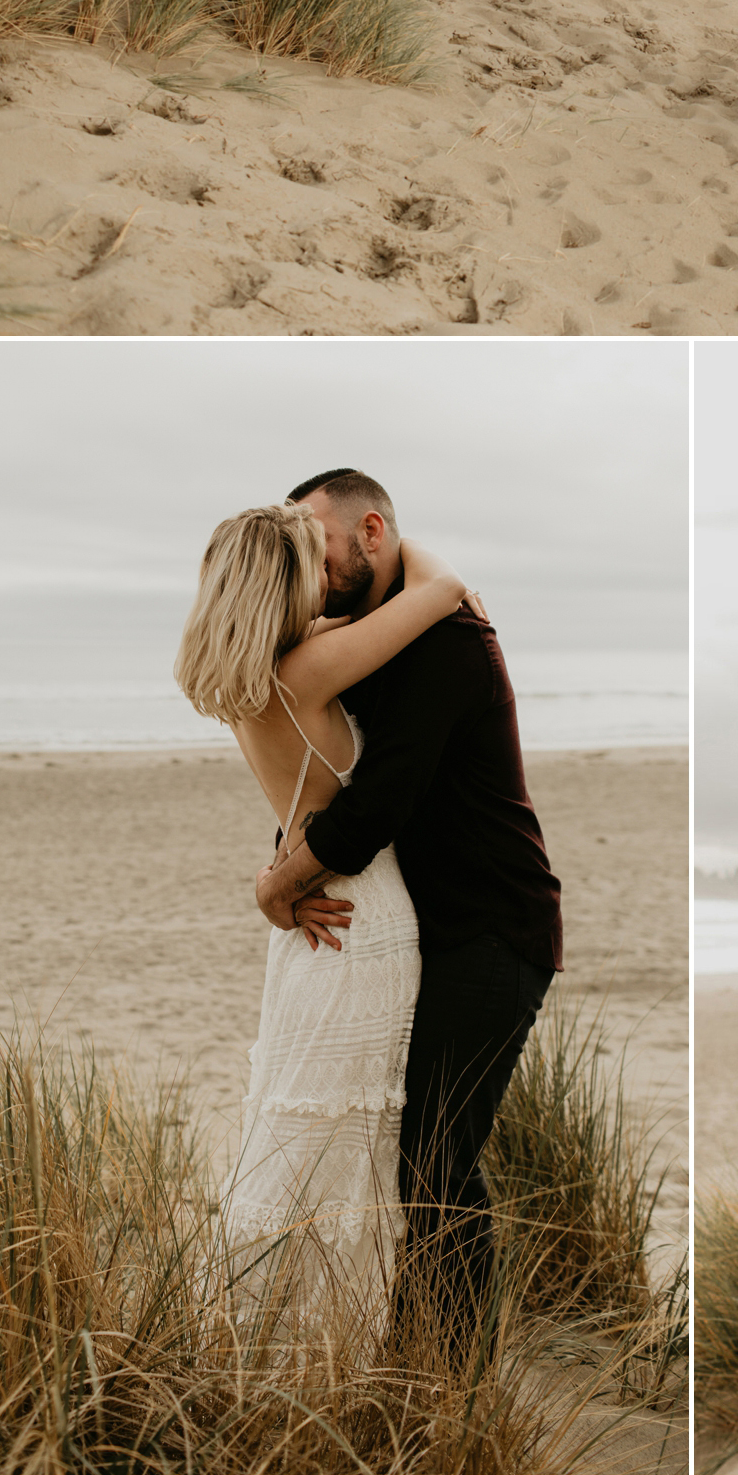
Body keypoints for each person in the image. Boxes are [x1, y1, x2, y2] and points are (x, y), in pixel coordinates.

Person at [252, 466, 563, 1343]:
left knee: (438, 1161)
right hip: (428, 928)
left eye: (319, 543)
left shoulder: (446, 640)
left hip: (494, 927)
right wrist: (283, 857)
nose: (310, 565)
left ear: (375, 532)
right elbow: (327, 773)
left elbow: (377, 802)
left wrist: (281, 883)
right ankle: (410, 1350)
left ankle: (450, 1377)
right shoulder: (375, 627)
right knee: (414, 1152)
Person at [172, 504, 475, 1324]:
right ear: (286, 583)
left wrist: (271, 884)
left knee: (296, 1130)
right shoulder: (308, 669)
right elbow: (442, 588)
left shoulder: (245, 683)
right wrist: (388, 537)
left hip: (309, 930)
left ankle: (265, 1339)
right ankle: (327, 1347)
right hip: (361, 920)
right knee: (350, 1149)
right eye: (311, 563)